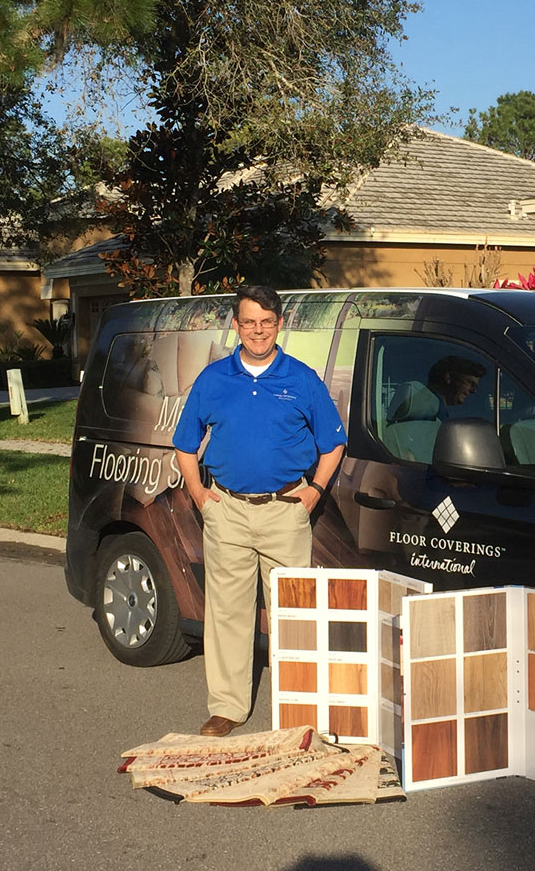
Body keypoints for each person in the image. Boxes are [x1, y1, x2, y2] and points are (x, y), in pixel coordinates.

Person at [172, 284, 346, 737]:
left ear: (279, 324)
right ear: (236, 325)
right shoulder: (213, 379)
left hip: (285, 511)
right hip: (226, 510)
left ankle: (299, 709)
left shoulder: (302, 378)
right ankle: (227, 707)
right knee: (228, 613)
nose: (258, 331)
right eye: (249, 322)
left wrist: (315, 492)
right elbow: (184, 445)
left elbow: (334, 442)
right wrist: (199, 495)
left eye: (266, 322)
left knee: (293, 612)